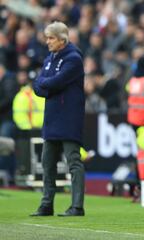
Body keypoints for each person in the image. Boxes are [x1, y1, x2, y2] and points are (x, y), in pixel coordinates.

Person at [30, 21, 86, 217]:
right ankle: (47, 204)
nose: (48, 42)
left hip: (69, 116)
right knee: (47, 162)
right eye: (47, 37)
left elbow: (56, 81)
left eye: (51, 38)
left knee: (73, 161)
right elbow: (38, 86)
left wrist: (44, 83)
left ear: (63, 39)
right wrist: (45, 84)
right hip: (52, 116)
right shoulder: (49, 58)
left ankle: (77, 206)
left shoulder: (73, 59)